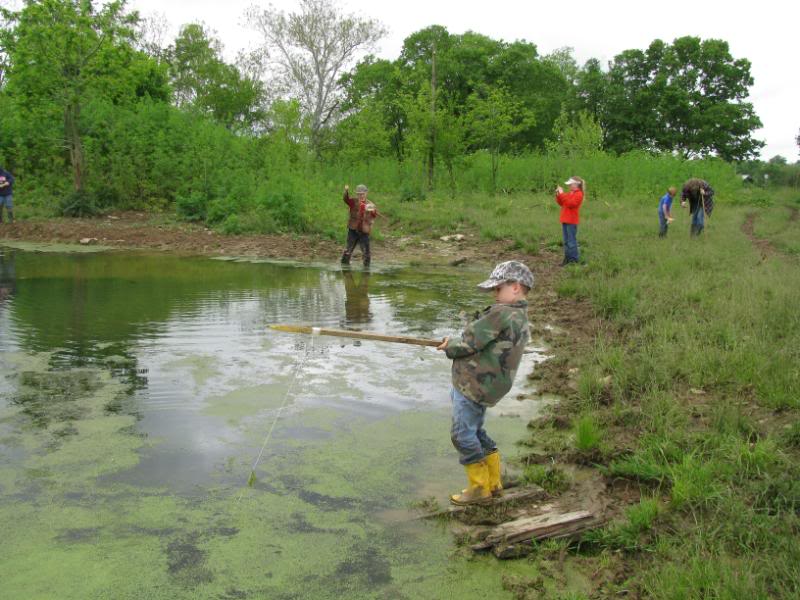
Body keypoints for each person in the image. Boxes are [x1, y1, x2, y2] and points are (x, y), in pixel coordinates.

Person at [437, 260, 532, 505]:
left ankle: (479, 488)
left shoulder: (500, 313)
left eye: (498, 288)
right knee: (476, 430)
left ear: (516, 287)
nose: (494, 293)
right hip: (489, 388)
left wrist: (450, 345)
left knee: (461, 434)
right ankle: (493, 482)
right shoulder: (520, 316)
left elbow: (469, 342)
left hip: (472, 385)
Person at [340, 184, 380, 267]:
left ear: (366, 193)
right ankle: (344, 269)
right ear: (356, 194)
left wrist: (372, 211)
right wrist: (346, 191)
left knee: (366, 254)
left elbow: (373, 216)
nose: (361, 195)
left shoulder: (370, 204)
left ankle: (366, 272)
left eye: (362, 193)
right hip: (353, 230)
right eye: (359, 194)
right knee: (347, 251)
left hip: (364, 231)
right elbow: (345, 199)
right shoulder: (353, 202)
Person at [555, 176, 585, 265]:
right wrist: (558, 195)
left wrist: (562, 194)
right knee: (566, 241)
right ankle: (567, 259)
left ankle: (574, 260)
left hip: (571, 221)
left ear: (576, 184)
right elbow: (562, 203)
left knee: (571, 241)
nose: (569, 186)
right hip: (565, 219)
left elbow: (570, 204)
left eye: (570, 184)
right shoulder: (570, 193)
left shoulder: (579, 194)